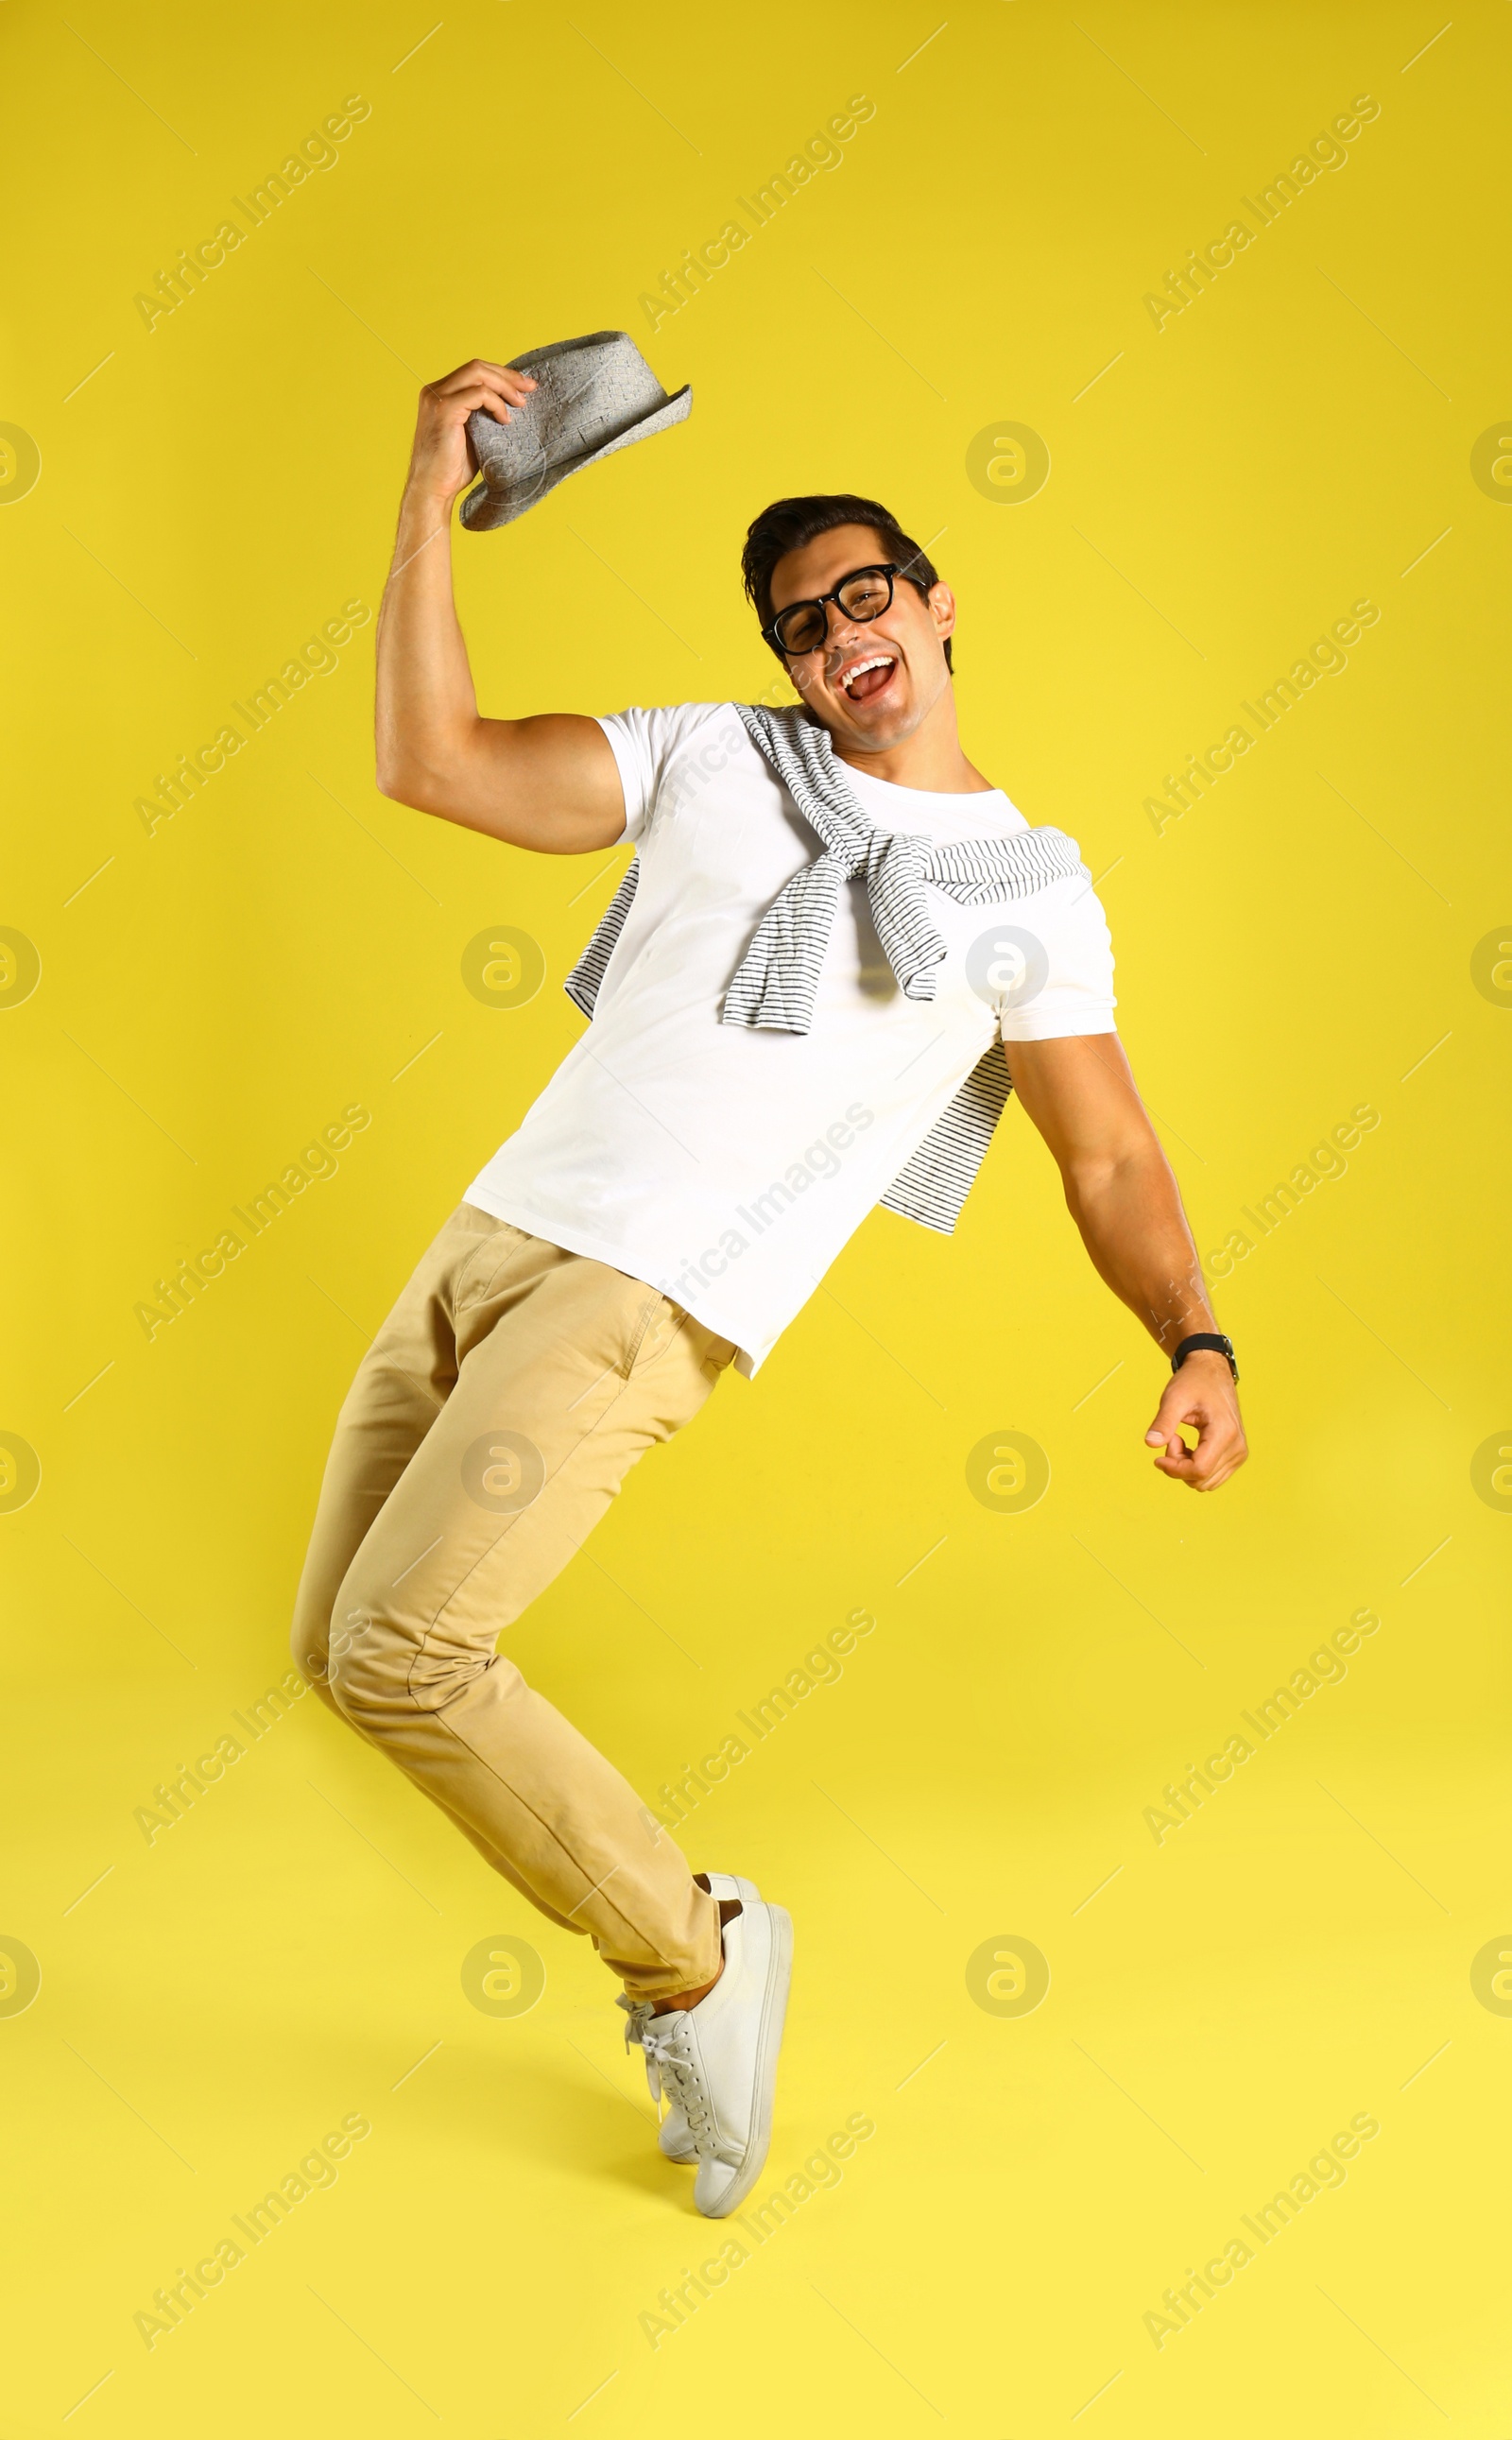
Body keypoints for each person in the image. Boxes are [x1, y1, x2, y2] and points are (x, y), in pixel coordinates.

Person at [290, 355, 1247, 2221]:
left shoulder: (1026, 893)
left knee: (410, 1648)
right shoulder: (715, 754)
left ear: (936, 598)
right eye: (802, 623)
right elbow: (433, 759)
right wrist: (429, 484)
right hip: (497, 1231)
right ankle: (683, 1941)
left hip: (650, 1296)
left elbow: (1107, 1155)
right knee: (339, 1646)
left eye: (864, 593)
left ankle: (694, 1956)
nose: (837, 637)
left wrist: (1190, 1330)